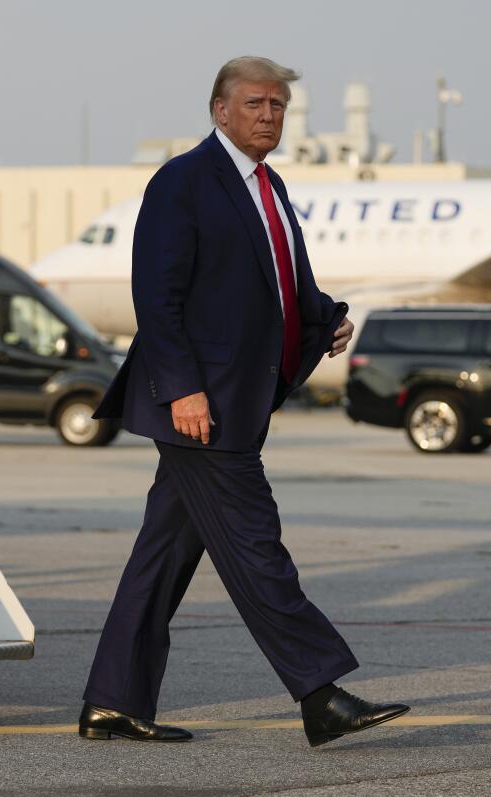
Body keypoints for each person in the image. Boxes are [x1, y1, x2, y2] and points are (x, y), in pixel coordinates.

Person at [80, 56, 409, 747]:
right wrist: (183, 389)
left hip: (237, 398)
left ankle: (114, 701)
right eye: (256, 103)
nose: (269, 116)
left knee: (162, 559)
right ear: (220, 111)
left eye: (279, 106)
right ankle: (320, 692)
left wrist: (324, 319)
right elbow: (158, 297)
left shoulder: (268, 185)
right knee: (258, 548)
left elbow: (275, 281)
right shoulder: (184, 182)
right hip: (202, 407)